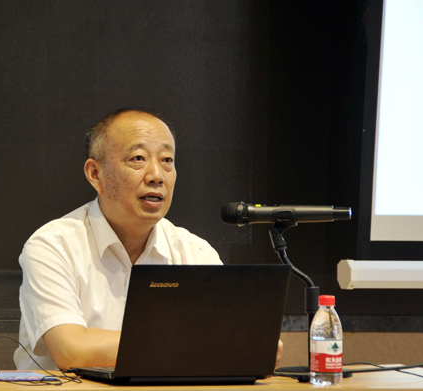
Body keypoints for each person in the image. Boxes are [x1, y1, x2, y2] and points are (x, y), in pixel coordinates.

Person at [14, 108, 283, 370]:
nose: (157, 176)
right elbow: (72, 350)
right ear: (95, 174)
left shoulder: (195, 254)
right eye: (138, 158)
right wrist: (200, 344)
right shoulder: (53, 246)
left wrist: (249, 345)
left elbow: (247, 344)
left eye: (167, 160)